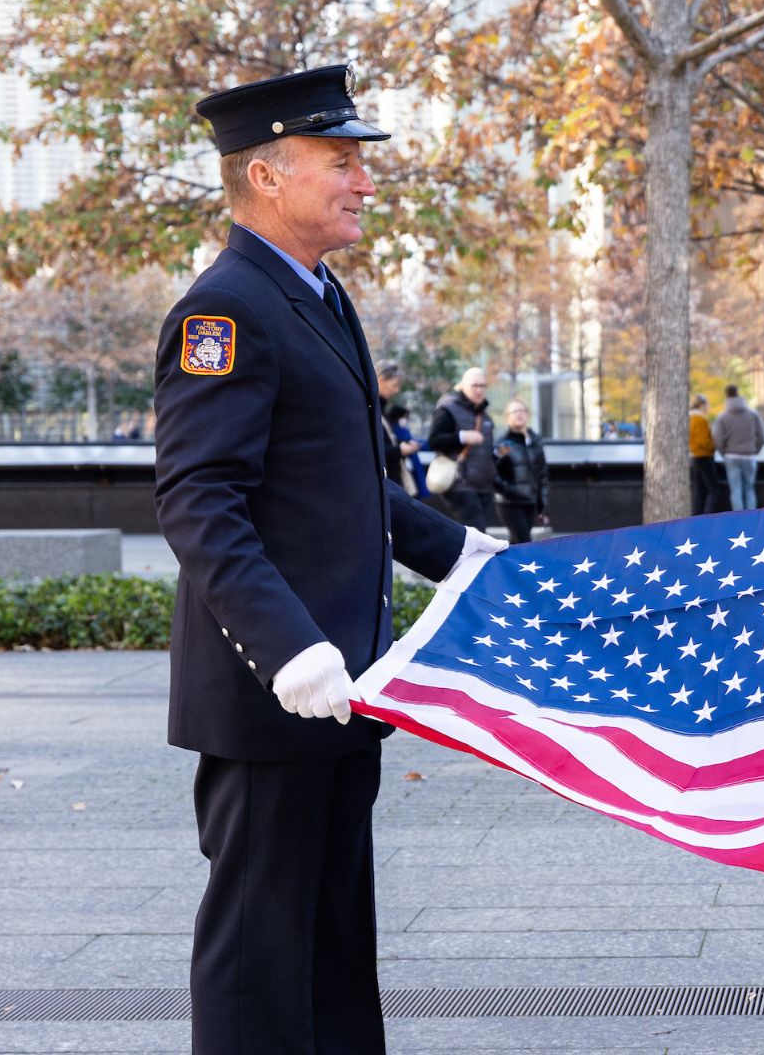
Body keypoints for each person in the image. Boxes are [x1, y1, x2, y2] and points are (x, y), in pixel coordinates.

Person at [156, 64, 505, 1054]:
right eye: (341, 161)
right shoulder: (224, 312)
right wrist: (289, 649)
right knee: (259, 949)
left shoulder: (313, 292)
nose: (364, 181)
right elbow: (198, 499)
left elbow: (347, 486)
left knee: (332, 937)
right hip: (280, 692)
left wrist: (465, 555)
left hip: (343, 687)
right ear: (268, 176)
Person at [428, 367, 498, 530]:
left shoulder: (484, 414)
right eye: (475, 385)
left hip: (484, 483)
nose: (479, 390)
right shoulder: (448, 409)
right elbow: (433, 441)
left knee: (479, 536)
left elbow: (486, 449)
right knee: (476, 532)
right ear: (462, 386)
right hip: (460, 483)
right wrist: (462, 437)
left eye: (483, 386)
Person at [494, 399, 550, 542]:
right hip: (509, 503)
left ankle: (507, 565)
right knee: (524, 542)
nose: (519, 414)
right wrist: (510, 490)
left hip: (530, 503)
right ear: (507, 417)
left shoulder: (536, 442)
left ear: (527, 415)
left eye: (522, 411)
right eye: (514, 412)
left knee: (516, 543)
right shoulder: (503, 443)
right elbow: (492, 473)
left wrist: (542, 504)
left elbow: (542, 475)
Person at [712, 383, 764, 510]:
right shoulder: (753, 415)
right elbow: (761, 436)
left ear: (727, 396)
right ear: (738, 394)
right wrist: (755, 450)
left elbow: (717, 439)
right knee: (749, 489)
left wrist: (724, 453)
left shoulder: (722, 417)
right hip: (750, 456)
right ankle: (752, 518)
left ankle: (739, 520)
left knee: (735, 490)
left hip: (732, 456)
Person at [377, 362, 419, 495]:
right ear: (381, 379)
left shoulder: (382, 412)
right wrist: (400, 450)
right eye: (394, 385)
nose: (396, 391)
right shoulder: (371, 412)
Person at [689, 393, 720, 514]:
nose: (708, 407)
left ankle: (697, 516)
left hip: (694, 456)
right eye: (707, 404)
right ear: (701, 405)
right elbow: (703, 441)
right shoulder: (700, 419)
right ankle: (709, 516)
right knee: (714, 490)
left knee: (699, 490)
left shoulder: (689, 418)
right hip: (703, 456)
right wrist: (713, 446)